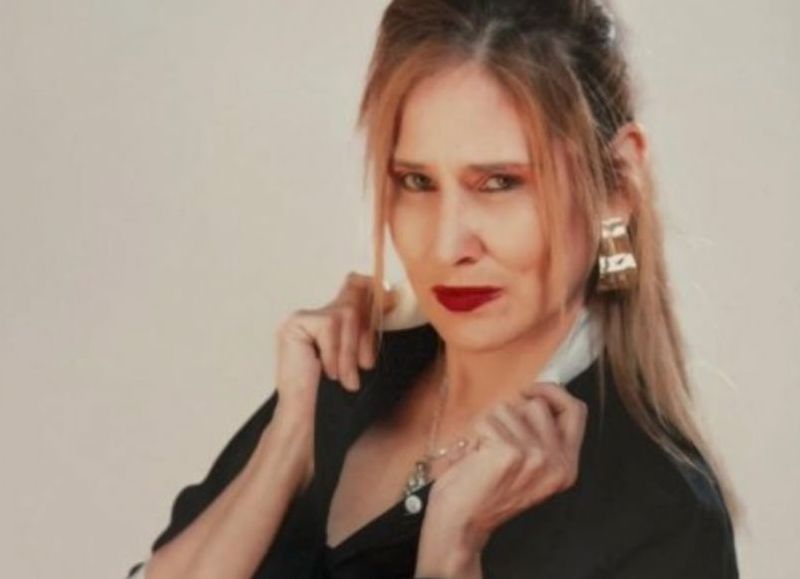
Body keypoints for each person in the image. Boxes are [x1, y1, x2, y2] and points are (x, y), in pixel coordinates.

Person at [126, 1, 741, 577]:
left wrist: (452, 551)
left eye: (499, 183)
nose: (447, 246)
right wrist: (288, 441)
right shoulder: (342, 382)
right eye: (416, 182)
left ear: (617, 184)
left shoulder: (658, 515)